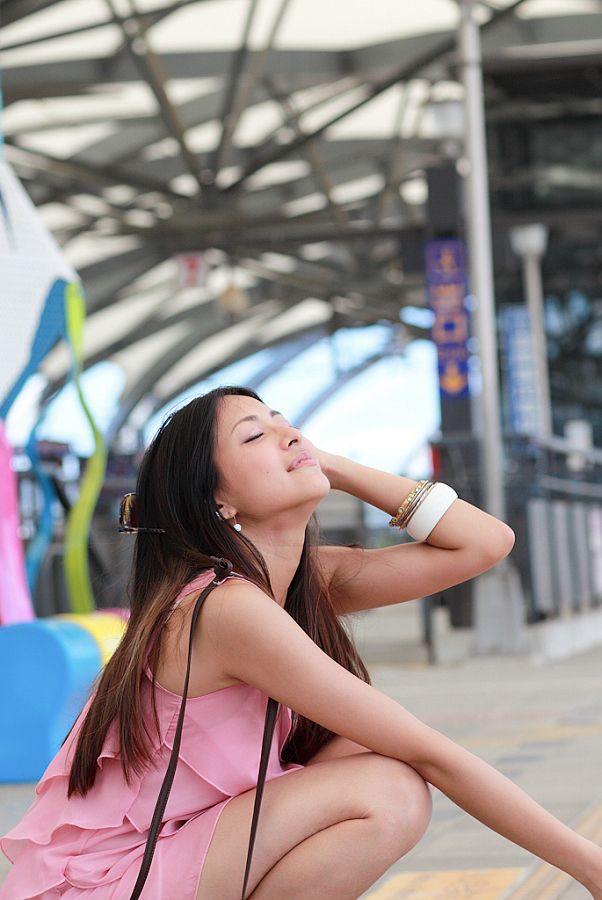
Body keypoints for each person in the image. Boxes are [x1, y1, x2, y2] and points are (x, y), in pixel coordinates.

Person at [2, 384, 602, 900]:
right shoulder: (227, 608)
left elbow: (486, 542)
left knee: (361, 754)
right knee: (390, 789)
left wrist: (331, 465)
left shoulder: (296, 581)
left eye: (284, 423)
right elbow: (431, 753)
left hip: (170, 853)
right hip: (110, 882)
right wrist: (588, 865)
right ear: (218, 501)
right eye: (254, 436)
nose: (288, 435)